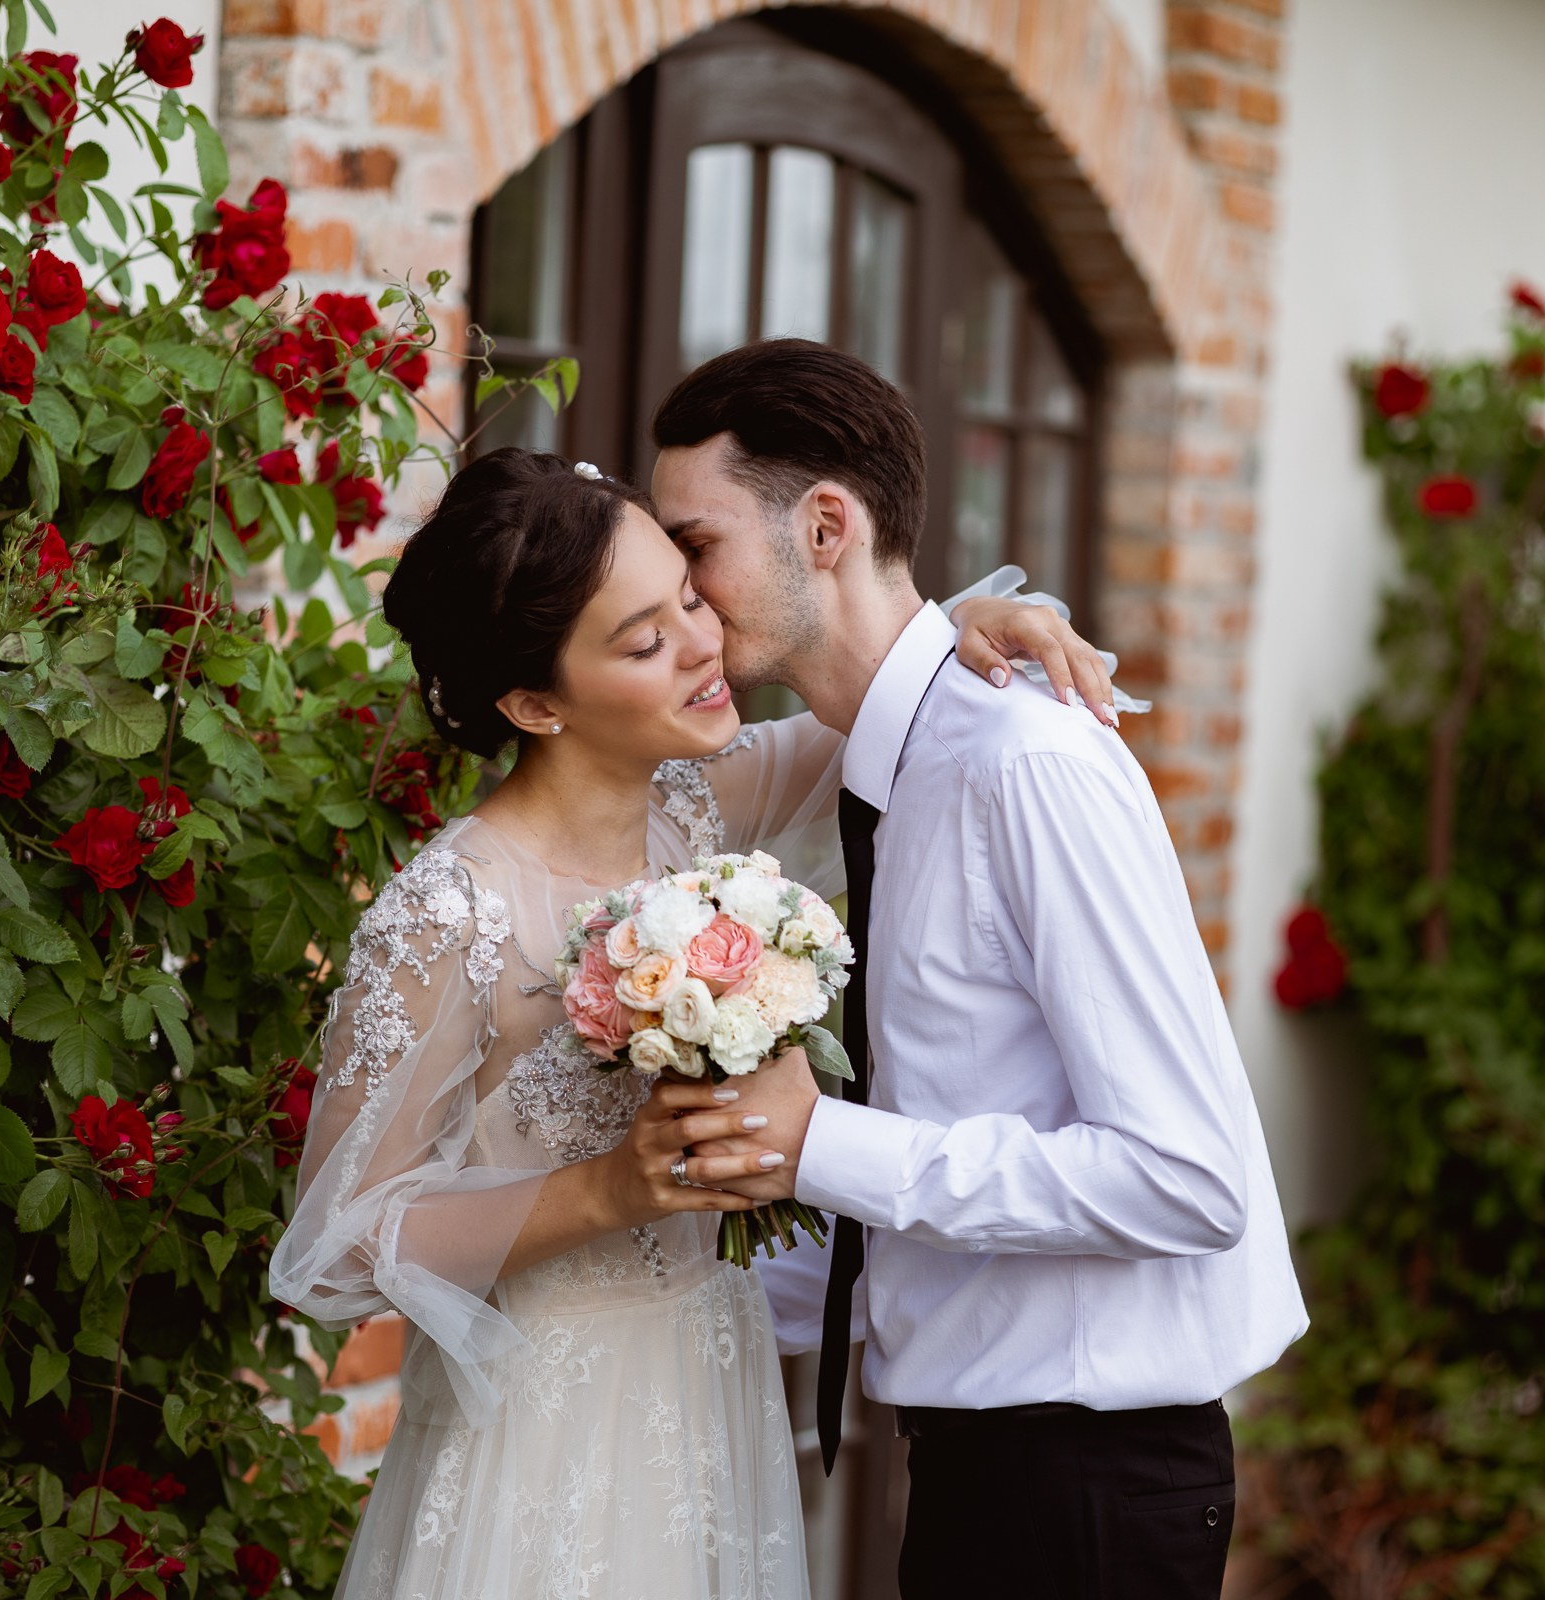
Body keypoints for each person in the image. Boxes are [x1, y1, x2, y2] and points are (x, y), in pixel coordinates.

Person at [265, 445, 1116, 1599]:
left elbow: (889, 685)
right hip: (539, 1429)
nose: (703, 644)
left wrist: (975, 621)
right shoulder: (448, 915)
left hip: (706, 1380)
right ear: (534, 703)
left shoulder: (698, 804)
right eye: (643, 641)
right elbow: (340, 1247)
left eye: (687, 597)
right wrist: (606, 1191)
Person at [651, 339, 1308, 1600]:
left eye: (696, 549)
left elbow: (1188, 1175)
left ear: (826, 527)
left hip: (1084, 1489)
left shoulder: (1022, 762)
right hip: (988, 1474)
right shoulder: (891, 755)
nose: (682, 598)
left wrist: (820, 1143)